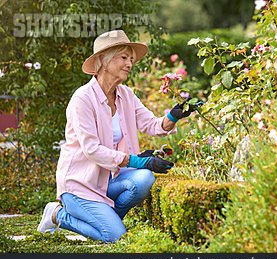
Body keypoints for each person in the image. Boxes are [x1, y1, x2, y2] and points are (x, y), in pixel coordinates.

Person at [37, 30, 196, 243]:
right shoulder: (82, 99)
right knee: (116, 236)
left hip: (109, 180)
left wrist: (175, 115)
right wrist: (138, 160)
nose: (130, 64)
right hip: (80, 185)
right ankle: (57, 214)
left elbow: (152, 125)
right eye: (123, 57)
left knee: (144, 179)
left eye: (131, 59)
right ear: (103, 60)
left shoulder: (126, 95)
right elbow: (91, 149)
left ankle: (107, 220)